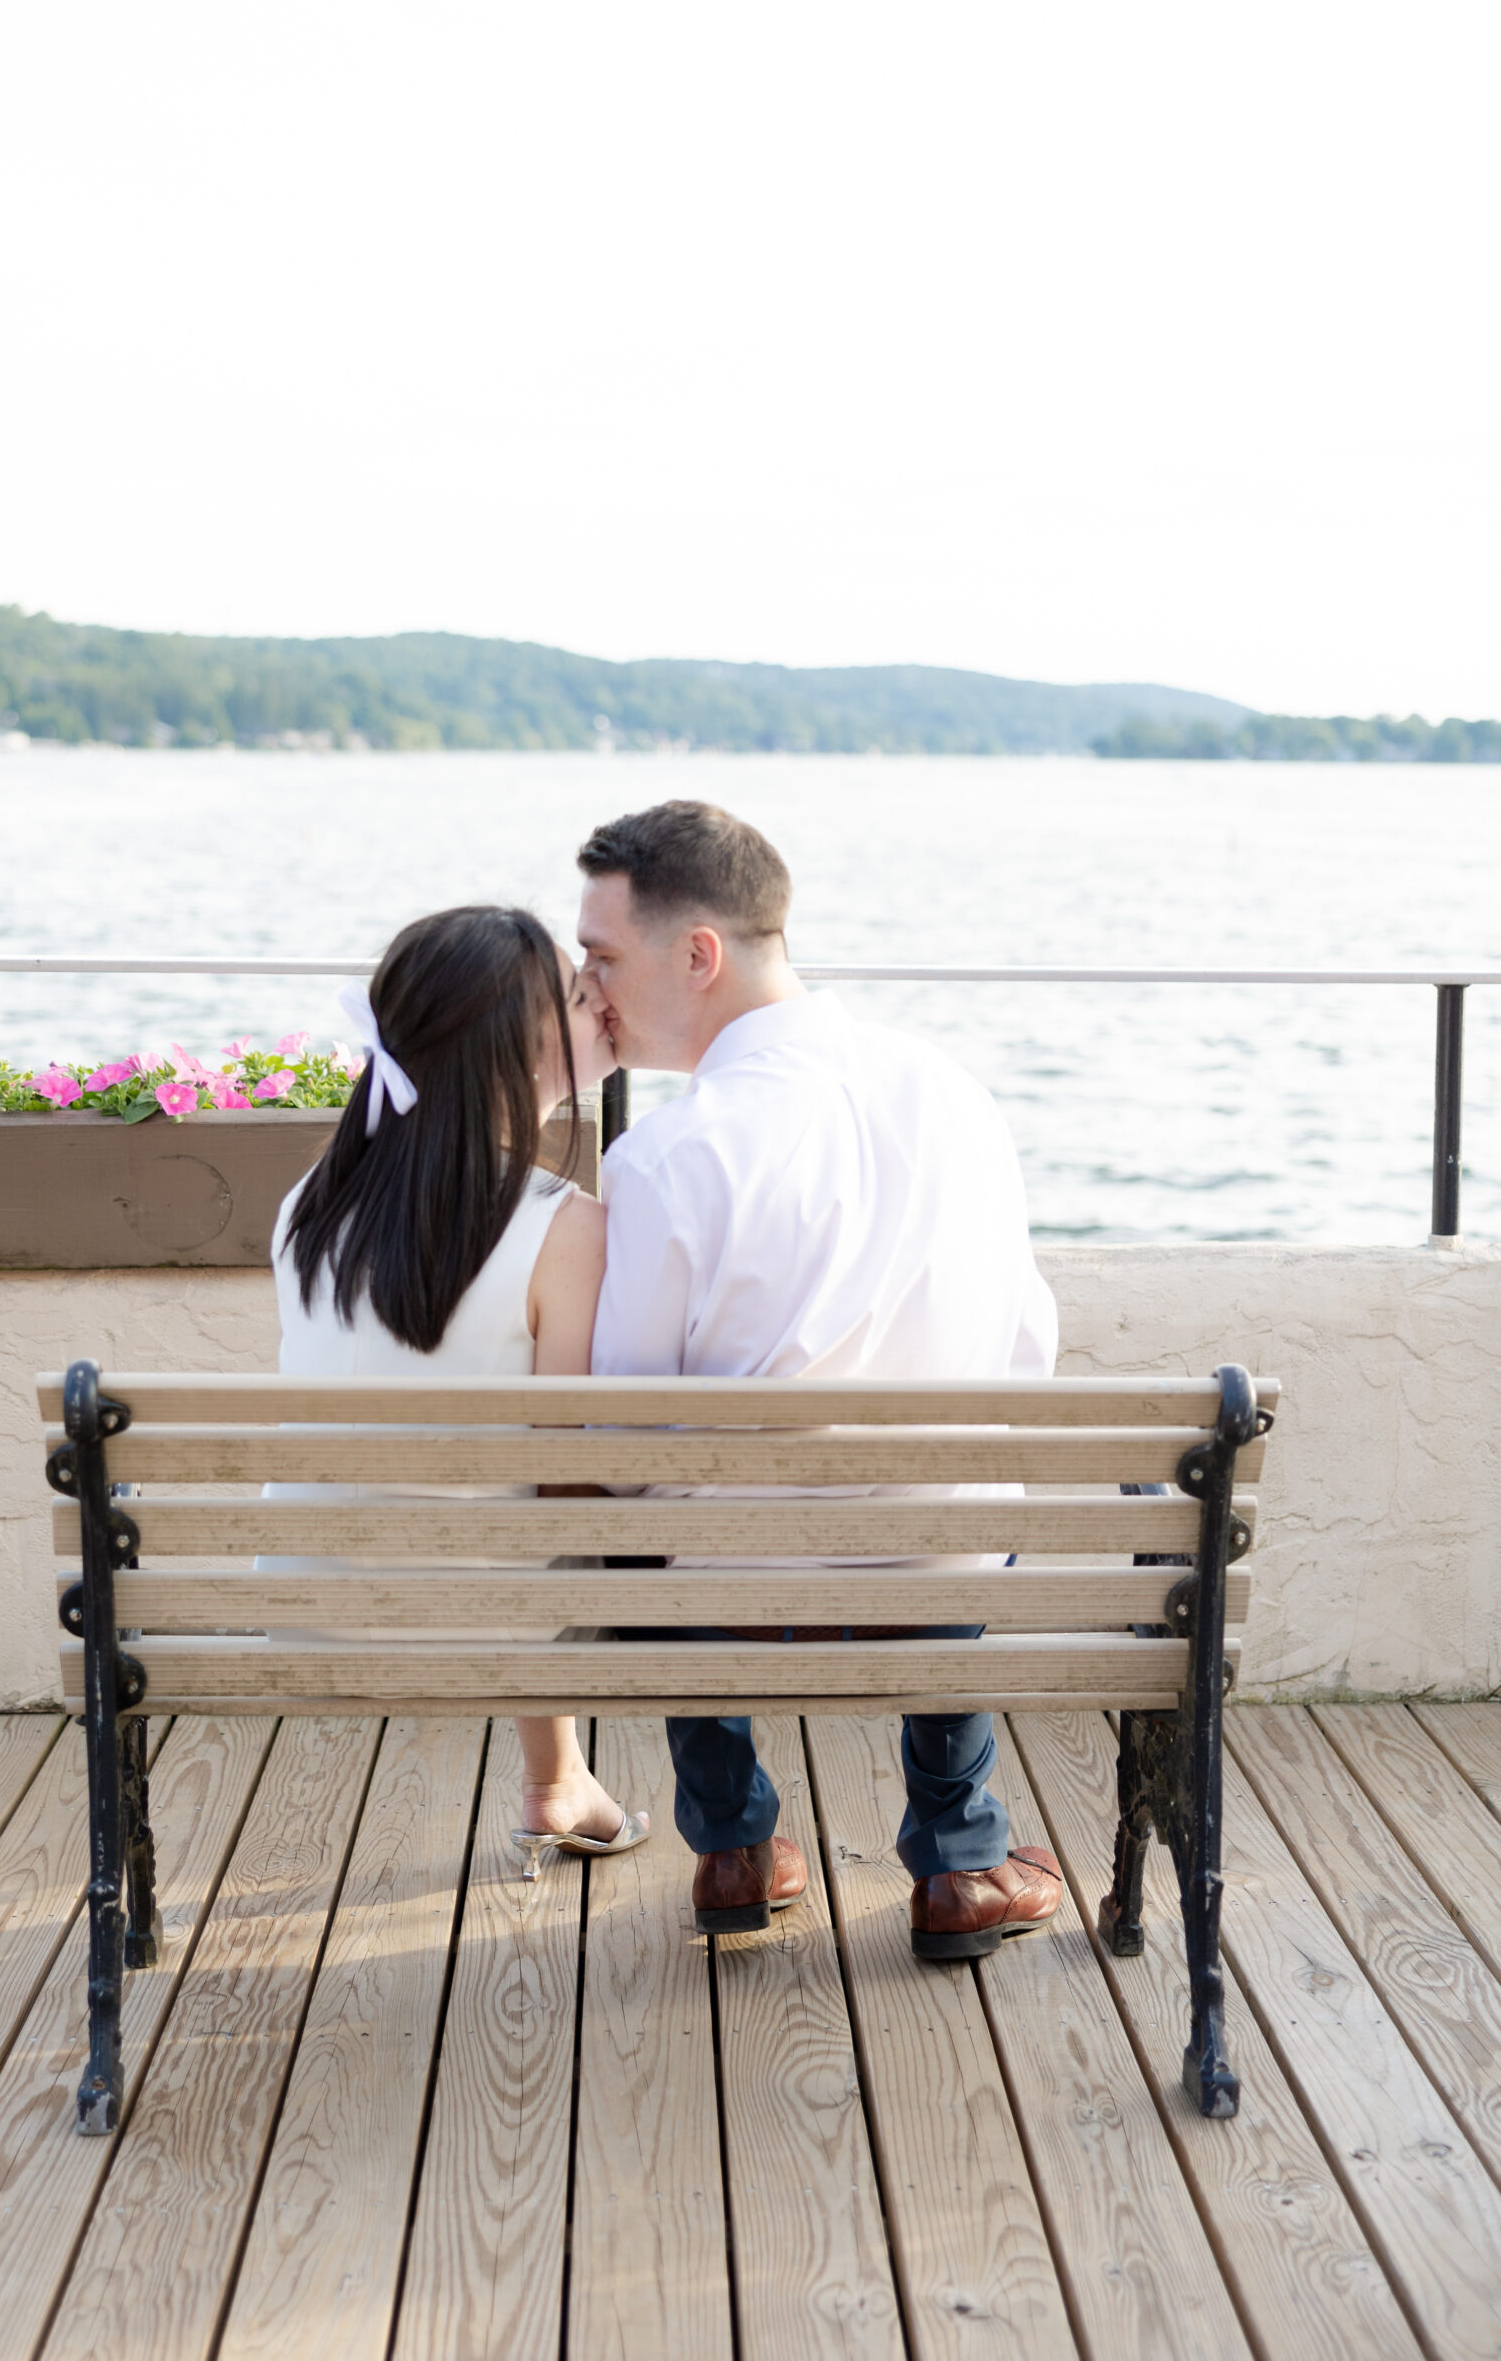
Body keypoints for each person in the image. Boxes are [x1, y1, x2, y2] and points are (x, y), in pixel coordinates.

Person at [578, 800, 1064, 1957]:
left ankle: (736, 1842)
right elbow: (1025, 1346)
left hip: (721, 1604)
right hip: (934, 1577)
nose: (589, 985)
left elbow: (619, 1441)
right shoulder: (955, 1091)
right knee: (961, 1488)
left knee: (655, 1520)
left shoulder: (663, 1156)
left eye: (601, 956)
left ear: (698, 954)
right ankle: (960, 1854)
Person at [263, 902, 647, 1875]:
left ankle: (559, 1781)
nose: (597, 1000)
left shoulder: (308, 1205)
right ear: (518, 1056)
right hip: (485, 1617)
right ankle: (562, 1781)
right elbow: (566, 1476)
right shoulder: (568, 1230)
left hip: (303, 1604)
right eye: (574, 993)